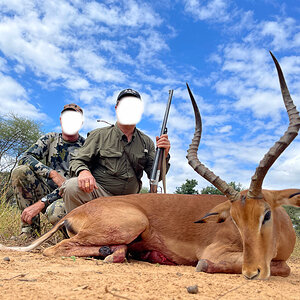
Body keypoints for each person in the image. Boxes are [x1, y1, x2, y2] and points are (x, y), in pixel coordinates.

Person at [60, 89, 171, 213]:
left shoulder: (147, 141)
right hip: (101, 195)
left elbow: (155, 176)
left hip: (131, 200)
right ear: (117, 108)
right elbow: (77, 160)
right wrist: (84, 172)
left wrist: (164, 155)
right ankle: (79, 230)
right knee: (72, 187)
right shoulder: (99, 135)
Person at [11, 103, 85, 238]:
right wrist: (51, 173)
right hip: (48, 189)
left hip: (69, 197)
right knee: (20, 172)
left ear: (81, 122)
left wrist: (42, 202)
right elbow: (26, 157)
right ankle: (29, 232)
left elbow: (74, 186)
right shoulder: (50, 138)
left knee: (55, 212)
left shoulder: (86, 147)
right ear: (61, 120)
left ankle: (70, 238)